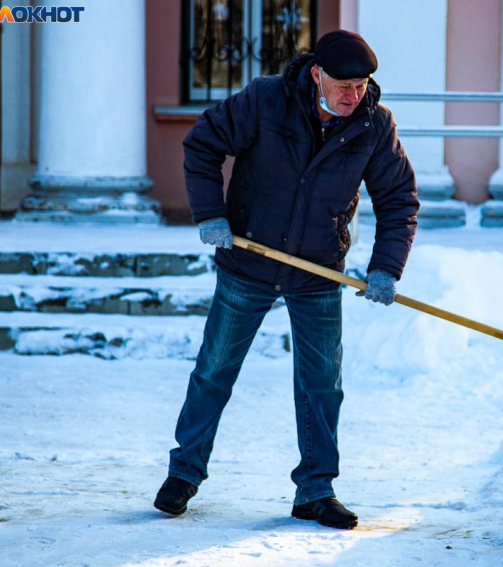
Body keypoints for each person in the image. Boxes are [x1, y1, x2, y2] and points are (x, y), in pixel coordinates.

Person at [153, 30, 419, 530]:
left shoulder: (373, 125)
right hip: (249, 262)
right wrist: (211, 213)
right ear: (317, 74)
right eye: (343, 84)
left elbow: (399, 199)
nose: (352, 95)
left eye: (361, 85)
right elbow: (203, 142)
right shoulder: (265, 100)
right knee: (214, 370)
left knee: (322, 384)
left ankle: (315, 490)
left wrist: (386, 268)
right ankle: (184, 472)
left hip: (317, 271)